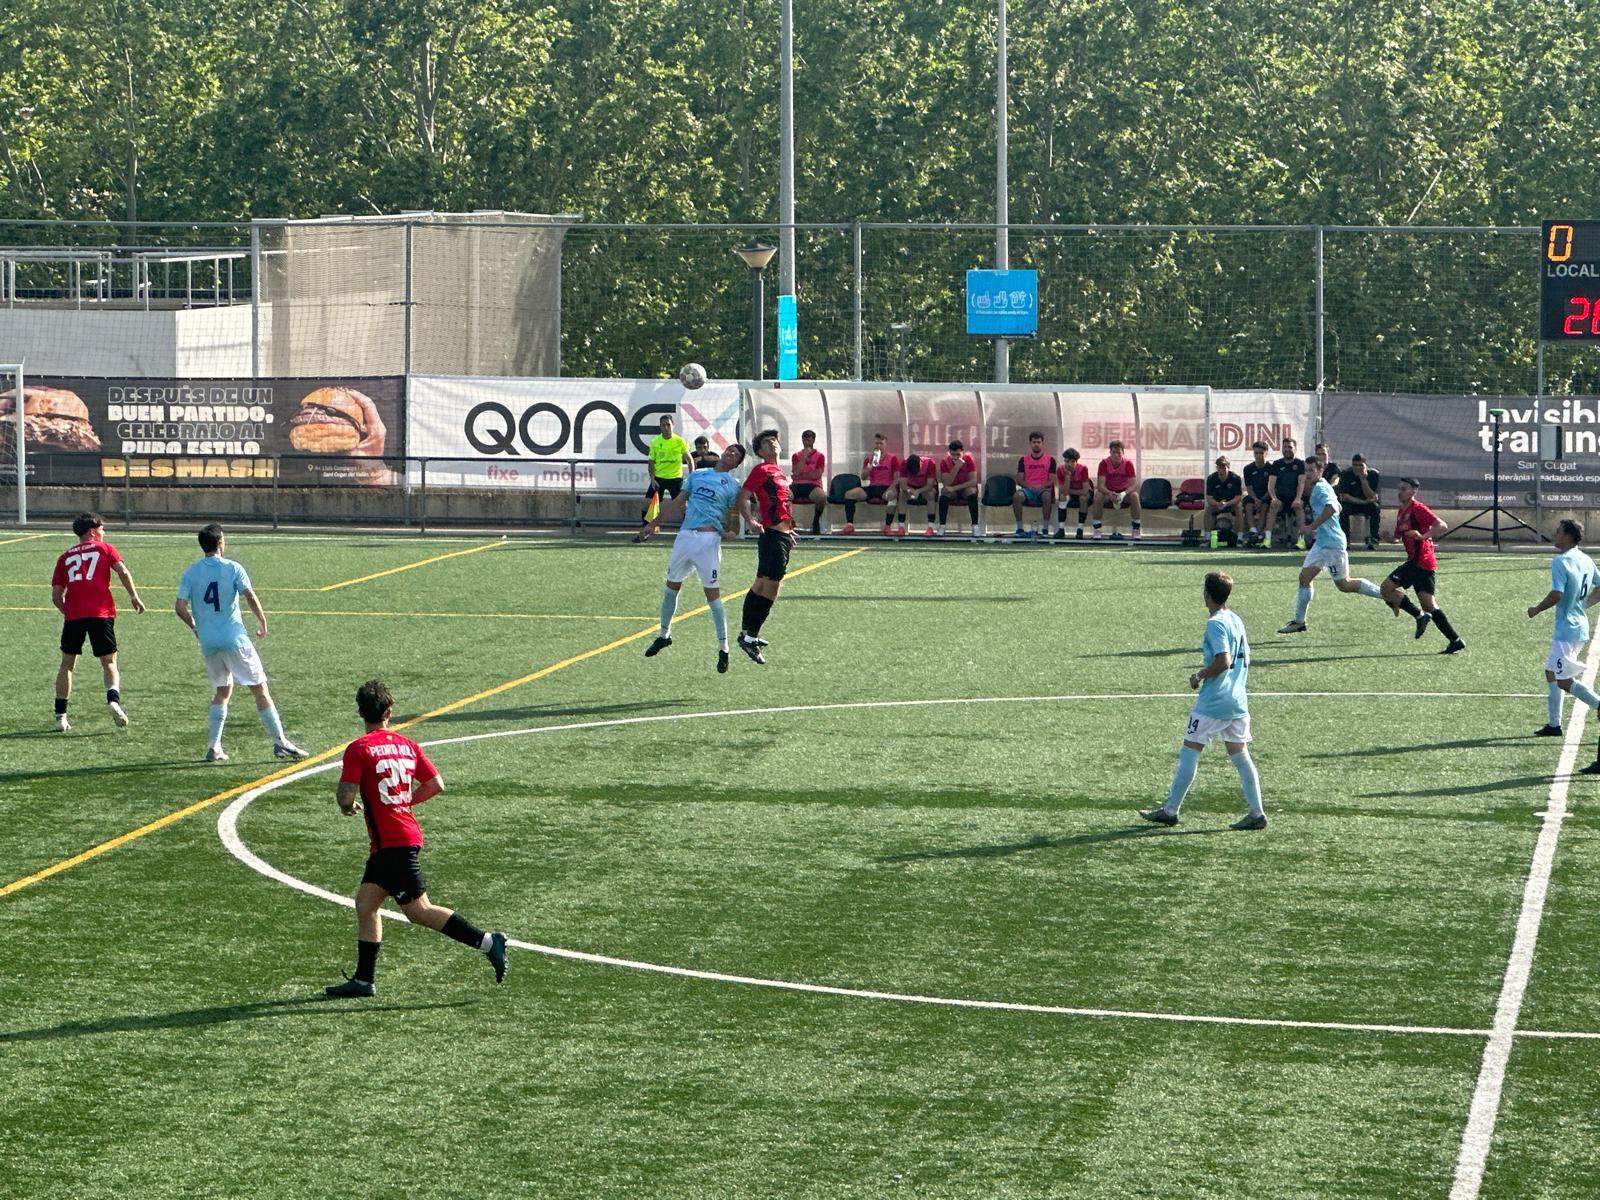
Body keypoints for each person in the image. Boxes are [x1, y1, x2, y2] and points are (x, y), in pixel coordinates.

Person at [325, 679, 509, 998]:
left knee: (419, 911)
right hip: (398, 839)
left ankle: (489, 942)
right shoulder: (407, 745)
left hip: (392, 844)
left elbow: (345, 794)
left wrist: (346, 806)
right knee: (366, 903)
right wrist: (404, 802)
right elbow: (436, 783)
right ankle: (364, 980)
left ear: (360, 713)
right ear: (389, 712)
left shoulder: (358, 749)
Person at [1138, 571, 1266, 831]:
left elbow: (1223, 660)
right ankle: (1256, 812)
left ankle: (1170, 810)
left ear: (1207, 594)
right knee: (1241, 756)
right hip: (1238, 700)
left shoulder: (1216, 623)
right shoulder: (1236, 619)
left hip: (1214, 702)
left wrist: (1199, 675)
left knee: (1190, 750)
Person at [174, 523, 308, 762]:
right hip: (234, 638)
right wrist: (262, 619)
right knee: (260, 688)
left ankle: (214, 746)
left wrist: (195, 627)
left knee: (222, 691)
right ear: (220, 542)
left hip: (209, 643)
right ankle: (280, 742)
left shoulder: (191, 572)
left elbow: (179, 607)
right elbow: (249, 595)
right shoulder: (233, 568)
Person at [644, 443, 748, 673]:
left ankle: (724, 648)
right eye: (730, 449)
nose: (730, 453)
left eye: (736, 454)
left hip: (708, 540)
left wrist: (731, 531)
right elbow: (678, 502)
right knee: (671, 588)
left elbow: (733, 515)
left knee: (713, 597)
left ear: (736, 463)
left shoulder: (733, 485)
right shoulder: (698, 474)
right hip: (684, 537)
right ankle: (664, 634)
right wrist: (653, 525)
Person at [50, 512, 145, 732]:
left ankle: (60, 716)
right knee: (109, 662)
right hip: (101, 614)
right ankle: (113, 700)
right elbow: (122, 570)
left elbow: (56, 596)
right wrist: (133, 595)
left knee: (67, 664)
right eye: (102, 529)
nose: (104, 532)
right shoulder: (105, 549)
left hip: (74, 616)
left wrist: (69, 612)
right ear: (93, 531)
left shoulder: (65, 557)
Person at [1278, 457, 1389, 634]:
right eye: (1306, 470)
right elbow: (1337, 505)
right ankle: (1299, 622)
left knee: (1344, 584)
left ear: (1320, 471)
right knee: (1305, 578)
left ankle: (1386, 594)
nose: (1307, 474)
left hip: (1331, 544)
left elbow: (1333, 508)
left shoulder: (1321, 488)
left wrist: (1313, 526)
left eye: (1311, 470)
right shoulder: (1321, 486)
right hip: (1324, 542)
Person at [1527, 519, 1600, 744]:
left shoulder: (1561, 561)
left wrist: (1536, 609)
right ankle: (1554, 724)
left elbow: (1557, 594)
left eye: (1558, 532)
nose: (1554, 535)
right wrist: (1583, 606)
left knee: (1563, 680)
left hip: (1567, 631)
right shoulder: (1585, 559)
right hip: (1577, 625)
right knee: (1551, 672)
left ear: (1567, 536)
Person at [1380, 479, 1465, 654]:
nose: (1400, 492)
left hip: (1419, 562)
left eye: (1404, 489)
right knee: (1429, 605)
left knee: (1386, 588)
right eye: (1399, 488)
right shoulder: (1401, 512)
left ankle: (1419, 616)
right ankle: (1455, 640)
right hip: (1423, 563)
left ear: (1413, 492)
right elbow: (1398, 537)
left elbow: (1442, 525)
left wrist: (1422, 536)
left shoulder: (1418, 509)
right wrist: (1388, 538)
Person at [736, 429, 795, 665]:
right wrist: (750, 521)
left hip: (780, 534)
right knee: (771, 586)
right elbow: (743, 496)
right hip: (771, 535)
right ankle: (752, 635)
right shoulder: (761, 470)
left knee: (761, 583)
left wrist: (790, 529)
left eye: (774, 441)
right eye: (767, 442)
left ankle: (746, 633)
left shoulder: (780, 472)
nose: (773, 444)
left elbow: (781, 505)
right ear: (760, 451)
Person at [633, 414, 692, 543]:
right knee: (647, 504)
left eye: (668, 425)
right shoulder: (655, 442)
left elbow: (689, 459)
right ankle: (645, 531)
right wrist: (653, 479)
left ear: (673, 425)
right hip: (659, 479)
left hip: (676, 479)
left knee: (683, 506)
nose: (666, 427)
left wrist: (692, 477)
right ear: (660, 427)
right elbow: (651, 463)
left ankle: (689, 533)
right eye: (663, 425)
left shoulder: (680, 441)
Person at [841, 432, 900, 536]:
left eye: (881, 444)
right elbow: (863, 477)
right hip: (873, 487)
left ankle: (887, 526)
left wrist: (892, 488)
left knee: (892, 497)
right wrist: (870, 466)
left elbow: (896, 478)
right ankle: (850, 524)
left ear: (885, 445)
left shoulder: (892, 458)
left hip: (886, 487)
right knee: (849, 494)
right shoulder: (869, 458)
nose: (878, 446)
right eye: (877, 444)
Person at [1091, 439, 1141, 539]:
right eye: (1114, 452)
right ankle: (1097, 529)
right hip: (1108, 493)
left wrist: (1123, 494)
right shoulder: (1104, 464)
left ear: (1123, 453)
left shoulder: (1128, 464)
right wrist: (1110, 493)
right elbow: (1100, 485)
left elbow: (1134, 484)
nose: (1116, 455)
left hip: (1124, 493)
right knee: (1097, 495)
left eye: (1118, 452)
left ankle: (1136, 529)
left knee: (1135, 496)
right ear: (1110, 452)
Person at [1012, 432, 1056, 539]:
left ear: (1042, 443)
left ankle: (1045, 529)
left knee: (1047, 497)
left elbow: (1052, 480)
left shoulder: (1050, 460)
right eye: (1034, 442)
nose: (1036, 444)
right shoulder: (1024, 460)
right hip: (1028, 490)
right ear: (1030, 443)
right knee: (1017, 496)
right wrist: (1029, 486)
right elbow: (1019, 479)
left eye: (1039, 442)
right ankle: (1019, 528)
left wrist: (1041, 486)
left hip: (1043, 489)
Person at [1265, 437, 1307, 549]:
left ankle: (1301, 540)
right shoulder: (1276, 464)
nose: (1287, 449)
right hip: (1280, 499)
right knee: (1273, 505)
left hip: (1294, 497)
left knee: (1299, 507)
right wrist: (1274, 498)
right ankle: (1267, 540)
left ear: (1295, 449)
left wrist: (1298, 499)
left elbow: (1301, 483)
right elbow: (1271, 485)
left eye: (1290, 447)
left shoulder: (1300, 464)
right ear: (1282, 449)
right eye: (1285, 447)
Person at [1337, 453, 1383, 549]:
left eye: (1360, 465)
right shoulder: (1346, 474)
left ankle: (1373, 538)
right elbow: (1345, 496)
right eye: (1355, 465)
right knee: (1343, 510)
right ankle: (1345, 539)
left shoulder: (1373, 474)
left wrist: (1363, 479)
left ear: (1365, 465)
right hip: (1352, 503)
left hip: (1368, 503)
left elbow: (1372, 496)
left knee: (1375, 508)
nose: (1357, 468)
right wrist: (1362, 502)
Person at [938, 439, 981, 539]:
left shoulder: (969, 459)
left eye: (958, 454)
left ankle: (975, 526)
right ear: (949, 453)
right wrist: (956, 467)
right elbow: (946, 482)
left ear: (963, 451)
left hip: (964, 488)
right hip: (951, 489)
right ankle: (942, 526)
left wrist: (954, 488)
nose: (955, 457)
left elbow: (973, 481)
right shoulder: (945, 462)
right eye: (953, 455)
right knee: (944, 494)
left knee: (971, 492)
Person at [790, 429, 829, 535]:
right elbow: (796, 471)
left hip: (813, 486)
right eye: (805, 439)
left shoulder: (820, 456)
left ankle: (816, 520)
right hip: (797, 485)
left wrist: (800, 475)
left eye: (809, 439)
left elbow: (817, 475)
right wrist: (803, 458)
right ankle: (789, 522)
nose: (807, 441)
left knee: (822, 497)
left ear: (813, 440)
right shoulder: (796, 456)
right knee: (783, 496)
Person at [1203, 455, 1244, 548]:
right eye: (1219, 468)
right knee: (1208, 508)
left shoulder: (1235, 478)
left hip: (1231, 503)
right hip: (1217, 503)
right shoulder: (1211, 478)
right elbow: (1209, 498)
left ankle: (1240, 538)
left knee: (1239, 507)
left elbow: (1238, 497)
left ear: (1228, 468)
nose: (1221, 471)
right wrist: (1217, 504)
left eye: (1224, 468)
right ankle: (1207, 538)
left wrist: (1227, 503)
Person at [895, 452, 939, 537]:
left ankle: (930, 527)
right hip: (911, 488)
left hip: (925, 489)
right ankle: (901, 527)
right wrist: (909, 490)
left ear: (920, 463)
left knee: (931, 495)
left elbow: (930, 485)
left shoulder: (930, 463)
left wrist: (918, 491)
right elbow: (903, 484)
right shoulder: (904, 464)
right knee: (901, 495)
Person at [1054, 447, 1092, 540]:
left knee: (1083, 498)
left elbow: (1085, 490)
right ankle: (1061, 529)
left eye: (1071, 462)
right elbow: (1064, 492)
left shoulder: (1083, 469)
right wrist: (1067, 476)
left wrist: (1069, 491)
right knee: (1063, 497)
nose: (1068, 464)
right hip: (1071, 494)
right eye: (1066, 461)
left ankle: (1080, 530)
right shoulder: (1060, 470)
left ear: (1076, 461)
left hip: (1083, 494)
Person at [1241, 441, 1273, 546]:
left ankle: (1258, 534)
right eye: (1256, 453)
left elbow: (1271, 487)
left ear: (1266, 453)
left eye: (1261, 453)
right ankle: (1253, 531)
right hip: (1253, 496)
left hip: (1266, 496)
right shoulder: (1248, 469)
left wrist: (1262, 499)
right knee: (1248, 506)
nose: (1258, 456)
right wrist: (1255, 499)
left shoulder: (1271, 468)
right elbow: (1249, 488)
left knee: (1264, 507)